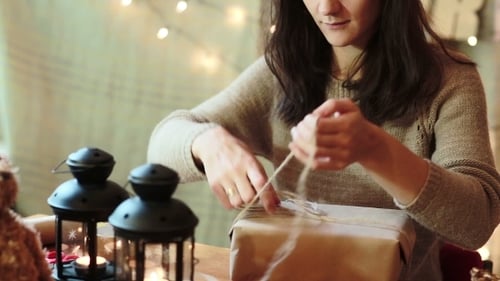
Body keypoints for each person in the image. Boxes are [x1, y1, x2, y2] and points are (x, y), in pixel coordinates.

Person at [147, 0, 500, 280]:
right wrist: (207, 142)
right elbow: (161, 149)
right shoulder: (282, 72)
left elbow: (476, 223)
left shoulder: (450, 81)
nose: (327, 7)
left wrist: (375, 150)